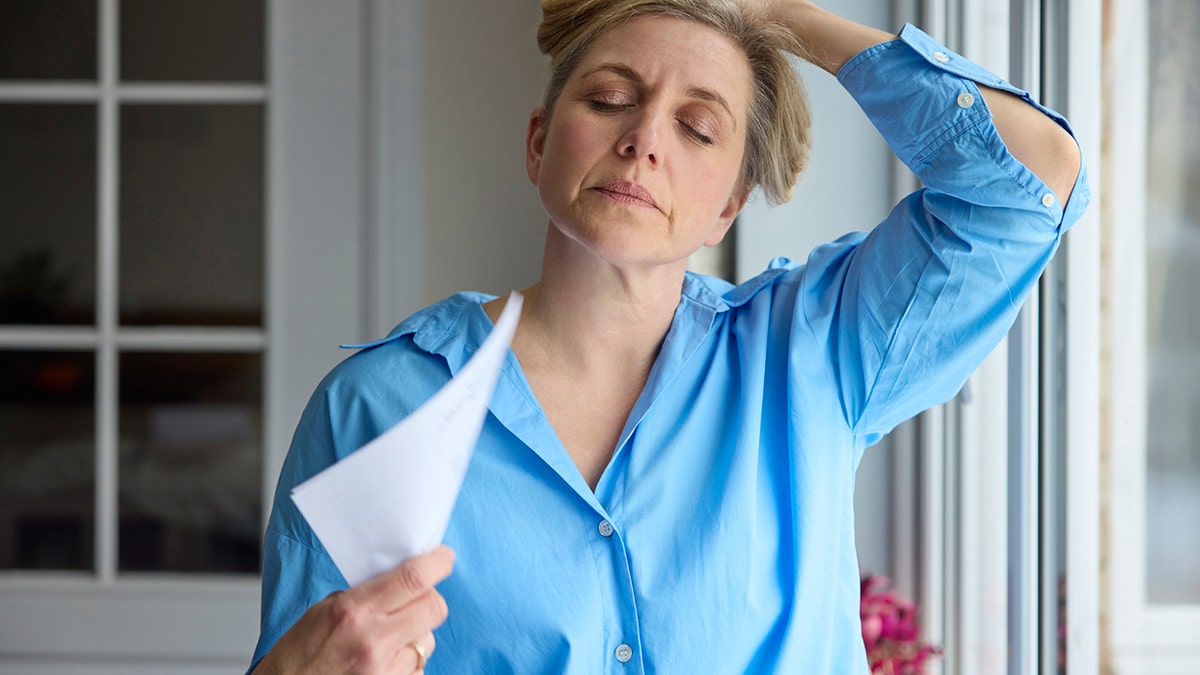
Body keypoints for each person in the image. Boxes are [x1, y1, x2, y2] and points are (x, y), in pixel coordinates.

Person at [250, 0, 1088, 672]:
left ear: (731, 203)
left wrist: (780, 14)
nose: (643, 139)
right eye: (611, 99)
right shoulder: (377, 406)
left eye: (698, 127)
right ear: (540, 141)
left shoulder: (815, 355)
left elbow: (1029, 184)